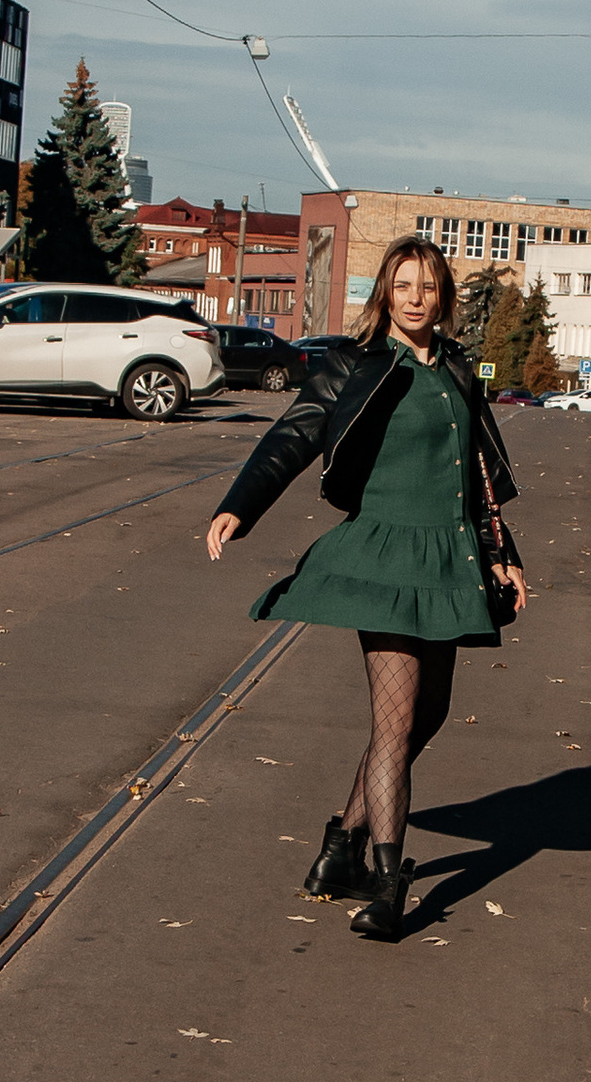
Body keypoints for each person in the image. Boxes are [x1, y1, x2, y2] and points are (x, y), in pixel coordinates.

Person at [206, 234, 528, 942]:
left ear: (443, 296)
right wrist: (241, 504)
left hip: (448, 559)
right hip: (384, 555)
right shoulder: (355, 363)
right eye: (405, 286)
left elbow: (478, 472)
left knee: (429, 715)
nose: (418, 299)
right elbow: (293, 435)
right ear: (386, 292)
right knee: (393, 721)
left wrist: (504, 555)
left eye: (430, 287)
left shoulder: (454, 367)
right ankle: (388, 881)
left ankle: (340, 851)